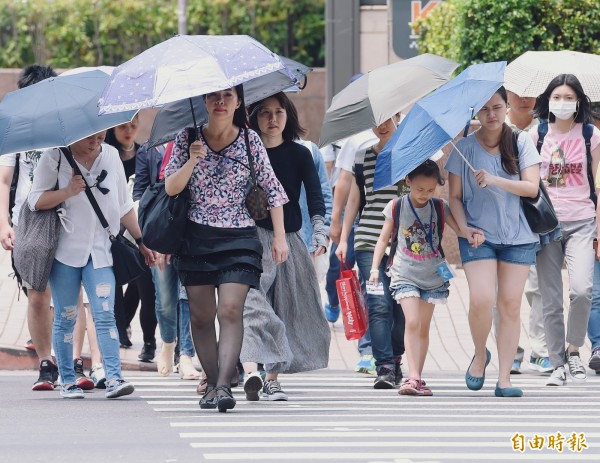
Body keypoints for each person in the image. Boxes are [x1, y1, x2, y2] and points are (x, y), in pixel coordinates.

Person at [164, 85, 288, 412]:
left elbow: (272, 189)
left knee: (230, 310)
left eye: (228, 96)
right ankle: (212, 379)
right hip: (195, 237)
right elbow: (170, 187)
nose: (220, 101)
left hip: (239, 237)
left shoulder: (249, 140)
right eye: (214, 95)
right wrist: (191, 160)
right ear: (204, 100)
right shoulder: (186, 138)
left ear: (237, 102)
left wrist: (279, 237)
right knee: (201, 316)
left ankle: (221, 387)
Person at [28, 130, 155, 399]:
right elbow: (35, 200)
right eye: (90, 137)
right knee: (65, 316)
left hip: (100, 250)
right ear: (74, 133)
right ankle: (68, 380)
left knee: (105, 313)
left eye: (101, 136)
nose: (97, 141)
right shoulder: (55, 157)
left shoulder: (110, 156)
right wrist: (67, 191)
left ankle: (114, 377)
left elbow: (123, 206)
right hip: (65, 251)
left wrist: (141, 241)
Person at [446, 86, 541, 397]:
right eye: (484, 108)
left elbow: (531, 188)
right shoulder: (464, 147)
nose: (491, 114)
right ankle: (478, 354)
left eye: (497, 107)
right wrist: (464, 229)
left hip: (519, 236)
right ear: (476, 112)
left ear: (506, 108)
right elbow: (455, 198)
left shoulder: (521, 141)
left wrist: (495, 178)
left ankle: (504, 379)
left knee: (511, 305)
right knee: (482, 299)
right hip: (479, 236)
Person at [240, 92, 331, 402]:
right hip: (250, 237)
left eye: (279, 112)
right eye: (265, 112)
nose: (273, 118)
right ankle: (251, 369)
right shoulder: (246, 153)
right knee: (250, 303)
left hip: (288, 239)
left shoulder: (300, 153)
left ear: (288, 116)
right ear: (254, 118)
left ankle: (272, 378)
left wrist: (320, 231)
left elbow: (316, 196)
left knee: (287, 309)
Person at [370, 160, 475, 395]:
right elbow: (382, 239)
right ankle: (413, 376)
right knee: (413, 322)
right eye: (419, 189)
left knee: (424, 328)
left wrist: (470, 233)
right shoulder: (396, 206)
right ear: (408, 182)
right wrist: (375, 268)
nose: (424, 195)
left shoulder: (440, 206)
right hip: (404, 273)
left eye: (430, 190)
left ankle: (417, 377)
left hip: (432, 274)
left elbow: (459, 230)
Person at [529, 74, 600, 386]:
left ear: (579, 101)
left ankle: (573, 349)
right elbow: (529, 182)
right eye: (556, 97)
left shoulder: (590, 135)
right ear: (547, 100)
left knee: (582, 290)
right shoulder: (537, 135)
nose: (562, 102)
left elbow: (598, 183)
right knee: (551, 299)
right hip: (547, 225)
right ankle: (558, 363)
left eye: (568, 96)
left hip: (582, 221)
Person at [0, 64, 59, 390]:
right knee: (37, 294)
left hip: (65, 215)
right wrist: (4, 224)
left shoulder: (65, 128)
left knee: (69, 297)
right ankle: (46, 362)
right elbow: (4, 180)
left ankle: (71, 359)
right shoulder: (14, 130)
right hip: (28, 221)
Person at [336, 116, 406, 389]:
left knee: (401, 307)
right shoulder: (363, 156)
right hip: (367, 240)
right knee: (379, 304)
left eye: (389, 117)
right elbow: (355, 200)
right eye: (376, 119)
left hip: (404, 243)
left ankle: (397, 357)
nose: (382, 124)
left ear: (399, 117)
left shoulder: (410, 152)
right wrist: (343, 239)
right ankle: (384, 366)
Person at [495, 90, 552, 374]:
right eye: (518, 94)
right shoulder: (496, 128)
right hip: (499, 220)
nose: (525, 99)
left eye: (531, 94)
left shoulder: (545, 128)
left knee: (536, 287)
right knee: (502, 292)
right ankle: (511, 350)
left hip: (531, 217)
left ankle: (540, 351)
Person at [134, 140, 201, 380]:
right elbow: (160, 192)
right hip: (165, 228)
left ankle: (186, 356)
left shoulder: (208, 139)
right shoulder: (154, 148)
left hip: (195, 234)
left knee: (188, 297)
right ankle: (168, 346)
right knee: (164, 299)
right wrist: (156, 238)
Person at [105, 117, 158, 361]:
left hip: (136, 226)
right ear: (112, 128)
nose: (128, 131)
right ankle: (120, 330)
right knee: (114, 282)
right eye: (122, 126)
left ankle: (133, 330)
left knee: (140, 280)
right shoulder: (107, 155)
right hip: (109, 228)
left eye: (134, 125)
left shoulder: (143, 155)